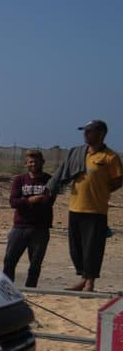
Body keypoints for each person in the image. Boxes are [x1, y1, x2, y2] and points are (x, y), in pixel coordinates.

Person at [47, 119, 122, 292]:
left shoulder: (110, 157)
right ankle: (82, 277)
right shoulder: (79, 153)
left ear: (101, 134)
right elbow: (64, 173)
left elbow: (118, 181)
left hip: (96, 209)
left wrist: (102, 190)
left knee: (93, 248)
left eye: (89, 131)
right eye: (85, 131)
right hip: (75, 207)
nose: (85, 134)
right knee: (77, 247)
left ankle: (90, 282)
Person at [3, 150, 52, 287]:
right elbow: (13, 202)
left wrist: (25, 201)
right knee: (9, 261)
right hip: (20, 227)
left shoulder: (49, 180)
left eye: (36, 161)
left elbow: (48, 201)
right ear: (26, 164)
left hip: (40, 228)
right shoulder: (20, 180)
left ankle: (31, 289)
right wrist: (30, 200)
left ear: (43, 162)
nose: (33, 164)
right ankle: (8, 287)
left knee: (35, 264)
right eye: (30, 162)